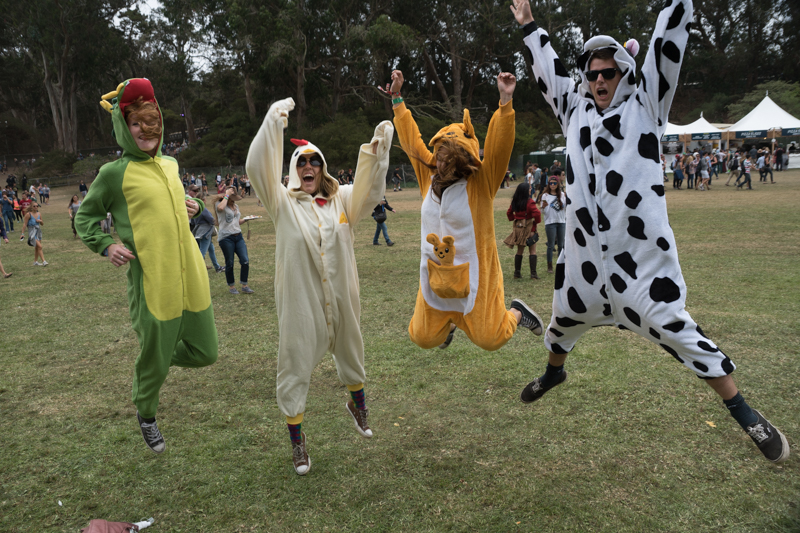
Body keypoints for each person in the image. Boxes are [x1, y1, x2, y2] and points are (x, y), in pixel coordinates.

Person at [512, 0, 788, 463]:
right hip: (583, 268)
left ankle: (745, 412)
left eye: (610, 72)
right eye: (594, 73)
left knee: (685, 336)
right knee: (560, 324)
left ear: (625, 73)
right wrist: (528, 26)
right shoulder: (572, 111)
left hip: (640, 272)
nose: (600, 80)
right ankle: (553, 374)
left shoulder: (647, 104)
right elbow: (550, 71)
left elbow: (668, 42)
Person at [246, 97, 393, 475]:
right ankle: (297, 442)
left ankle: (357, 404)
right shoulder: (281, 202)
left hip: (342, 295)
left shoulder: (340, 199)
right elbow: (257, 167)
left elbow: (370, 192)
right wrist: (272, 124)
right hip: (302, 302)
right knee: (294, 364)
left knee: (351, 348)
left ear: (323, 167)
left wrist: (377, 151)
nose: (308, 166)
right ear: (294, 171)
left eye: (314, 161)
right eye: (301, 162)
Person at [76, 78, 218, 454]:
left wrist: (198, 207)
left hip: (193, 279)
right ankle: (147, 411)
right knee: (154, 363)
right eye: (135, 123)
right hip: (155, 285)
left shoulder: (171, 164)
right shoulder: (113, 174)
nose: (145, 131)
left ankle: (154, 354)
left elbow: (180, 204)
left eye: (150, 121)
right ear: (123, 126)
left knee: (207, 353)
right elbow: (85, 218)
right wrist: (106, 246)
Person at [391, 69, 545, 355]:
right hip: (435, 274)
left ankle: (518, 313)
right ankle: (449, 323)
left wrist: (505, 101)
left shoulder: (481, 183)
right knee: (422, 336)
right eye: (439, 156)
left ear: (465, 157)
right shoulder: (428, 178)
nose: (441, 163)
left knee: (491, 338)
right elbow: (412, 142)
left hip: (476, 275)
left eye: (450, 157)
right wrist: (398, 100)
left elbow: (499, 148)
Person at [215, 187, 254, 294]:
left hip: (238, 236)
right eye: (233, 198)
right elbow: (220, 208)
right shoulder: (220, 204)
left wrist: (247, 219)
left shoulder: (236, 206)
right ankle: (232, 287)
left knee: (245, 260)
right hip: (226, 238)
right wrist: (226, 195)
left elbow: (236, 221)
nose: (234, 200)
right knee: (230, 263)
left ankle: (244, 285)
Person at [504, 182, 542, 279]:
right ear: (525, 191)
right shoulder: (530, 202)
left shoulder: (515, 201)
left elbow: (509, 213)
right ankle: (533, 275)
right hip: (529, 228)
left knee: (519, 251)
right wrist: (536, 223)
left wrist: (514, 218)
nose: (530, 190)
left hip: (518, 229)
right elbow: (537, 214)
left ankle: (517, 273)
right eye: (529, 188)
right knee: (532, 251)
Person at [187, 185, 224, 273]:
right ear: (202, 200)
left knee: (211, 249)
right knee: (201, 253)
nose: (206, 201)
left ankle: (217, 267)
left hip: (199, 232)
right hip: (205, 233)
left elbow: (192, 222)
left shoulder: (194, 209)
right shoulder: (203, 209)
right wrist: (219, 222)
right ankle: (196, 270)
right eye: (205, 199)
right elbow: (211, 220)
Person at [539, 176, 566, 274]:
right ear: (548, 184)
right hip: (550, 222)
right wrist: (543, 207)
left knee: (561, 245)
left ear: (558, 184)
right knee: (550, 245)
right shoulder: (545, 196)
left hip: (561, 222)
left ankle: (560, 265)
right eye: (551, 183)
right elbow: (543, 211)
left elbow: (566, 208)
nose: (553, 185)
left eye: (555, 183)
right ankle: (549, 266)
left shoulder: (562, 195)